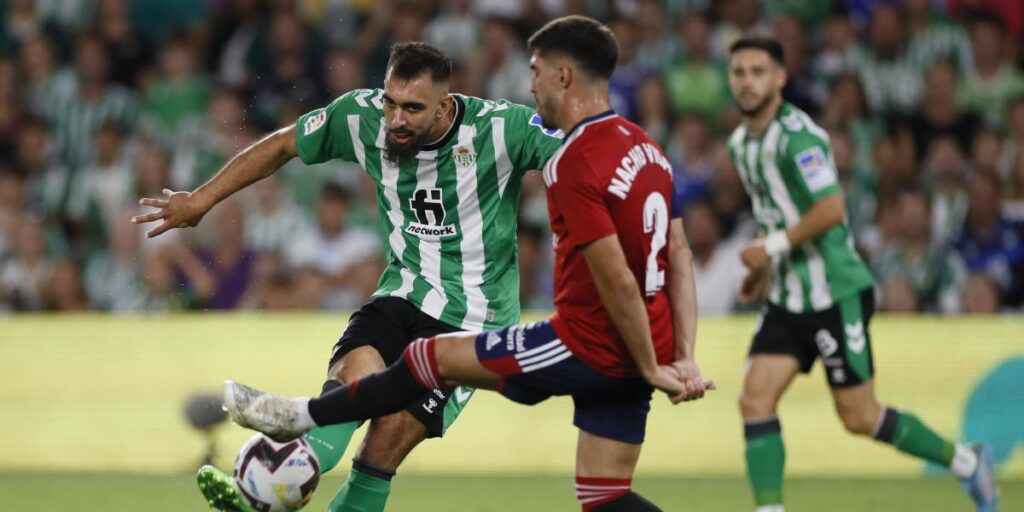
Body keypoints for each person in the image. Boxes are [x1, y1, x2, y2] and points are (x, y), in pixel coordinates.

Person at [220, 16, 712, 512]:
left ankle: (294, 423)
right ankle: (297, 438)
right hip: (412, 294)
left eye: (537, 70)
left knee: (415, 387)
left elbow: (620, 280)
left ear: (563, 76)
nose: (529, 83)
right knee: (605, 497)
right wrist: (680, 352)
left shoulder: (562, 154)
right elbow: (678, 251)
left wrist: (654, 363)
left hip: (542, 330)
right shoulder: (646, 150)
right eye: (390, 103)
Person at [131, 42, 563, 512]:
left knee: (384, 441)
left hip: (475, 321)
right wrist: (201, 200)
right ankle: (268, 491)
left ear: (443, 106)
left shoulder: (500, 128)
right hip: (402, 293)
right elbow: (282, 145)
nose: (396, 120)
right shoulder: (361, 117)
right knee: (349, 383)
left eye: (412, 109)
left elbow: (578, 154)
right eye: (390, 102)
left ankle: (270, 489)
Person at [725, 37, 999, 512]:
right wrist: (764, 270)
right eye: (739, 72)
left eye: (757, 71)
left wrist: (767, 247)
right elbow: (780, 216)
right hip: (789, 297)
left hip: (836, 293)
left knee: (859, 416)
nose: (747, 82)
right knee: (754, 400)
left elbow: (830, 208)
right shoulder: (740, 145)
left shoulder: (799, 137)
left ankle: (967, 463)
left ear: (780, 78)